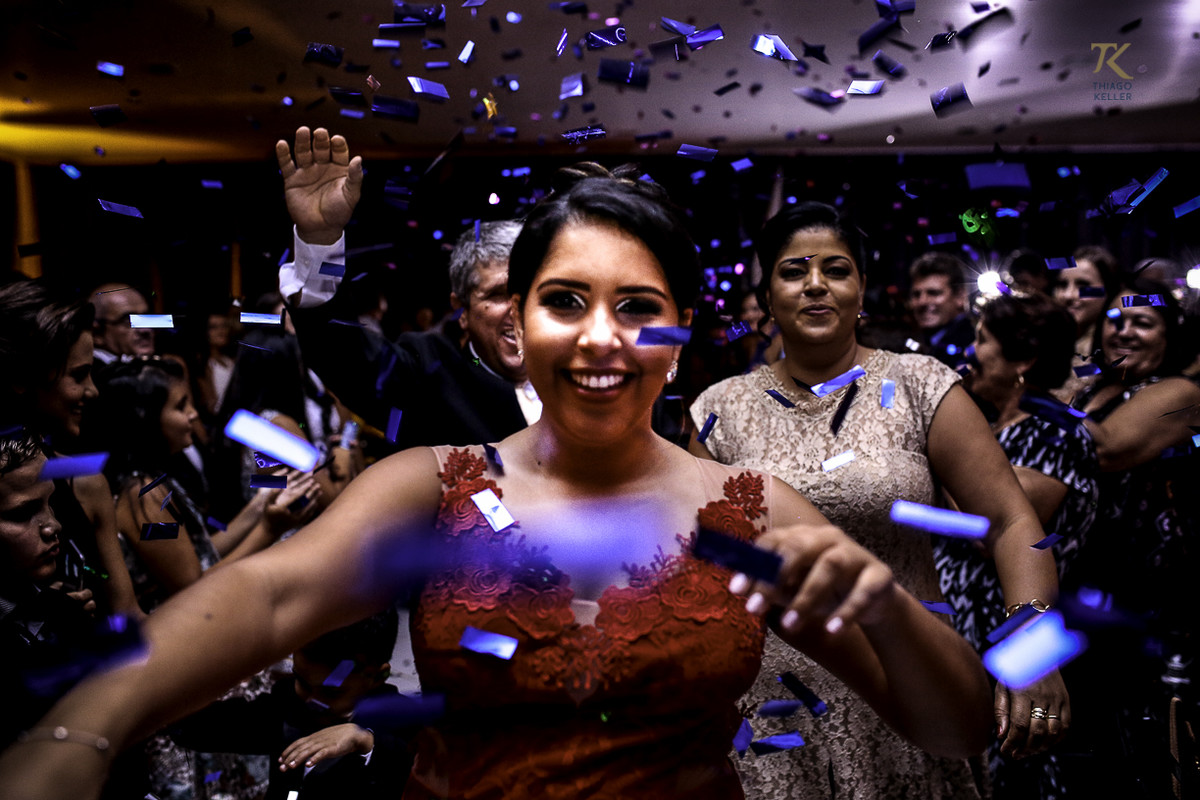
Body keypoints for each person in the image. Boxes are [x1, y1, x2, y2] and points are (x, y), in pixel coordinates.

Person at [0, 164, 994, 800]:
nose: (601, 338)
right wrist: (84, 727)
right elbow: (266, 598)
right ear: (518, 323)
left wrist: (888, 610)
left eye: (637, 307)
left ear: (680, 329)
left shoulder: (751, 510)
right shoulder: (429, 486)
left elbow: (954, 729)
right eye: (566, 301)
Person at [689, 202, 1066, 800]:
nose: (816, 284)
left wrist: (1035, 645)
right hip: (771, 714)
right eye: (793, 271)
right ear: (766, 299)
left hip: (912, 689)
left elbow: (1012, 521)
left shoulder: (920, 385)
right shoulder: (718, 410)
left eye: (836, 269)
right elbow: (698, 567)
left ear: (861, 290)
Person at [276, 126, 536, 451]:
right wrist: (319, 239)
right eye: (497, 294)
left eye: (530, 292)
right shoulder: (428, 373)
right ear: (461, 308)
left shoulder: (572, 366)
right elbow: (342, 355)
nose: (518, 309)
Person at [933, 292, 1098, 799]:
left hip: (1011, 634)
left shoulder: (1056, 432)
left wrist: (934, 453)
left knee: (1010, 779)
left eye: (983, 339)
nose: (970, 350)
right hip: (961, 636)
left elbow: (993, 530)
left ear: (1024, 359)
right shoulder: (991, 430)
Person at [1065, 276, 1200, 798]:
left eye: (1142, 322)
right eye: (1115, 320)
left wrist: (1027, 399)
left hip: (1151, 602)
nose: (1124, 331)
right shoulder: (1094, 387)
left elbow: (1107, 449)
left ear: (1170, 335)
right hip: (1085, 588)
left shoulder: (1181, 392)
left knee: (1146, 753)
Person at [0, 280, 141, 619]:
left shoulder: (85, 482)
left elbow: (127, 615)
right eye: (78, 376)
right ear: (22, 377)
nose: (92, 391)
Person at [170, 607, 410, 800]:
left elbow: (406, 768)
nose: (312, 700)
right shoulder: (288, 704)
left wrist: (365, 741)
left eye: (330, 692)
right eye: (302, 682)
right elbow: (217, 727)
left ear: (377, 677)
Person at [1051, 245, 1120, 403]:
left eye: (1083, 286)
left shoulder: (1115, 346)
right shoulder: (1046, 340)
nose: (1068, 295)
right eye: (1062, 285)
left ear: (1109, 290)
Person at [907, 251, 975, 368]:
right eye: (916, 294)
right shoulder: (920, 342)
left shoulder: (972, 344)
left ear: (960, 296)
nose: (922, 302)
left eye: (933, 293)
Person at [88, 283, 156, 365]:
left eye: (146, 317)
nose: (145, 330)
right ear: (97, 334)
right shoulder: (91, 371)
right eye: (128, 321)